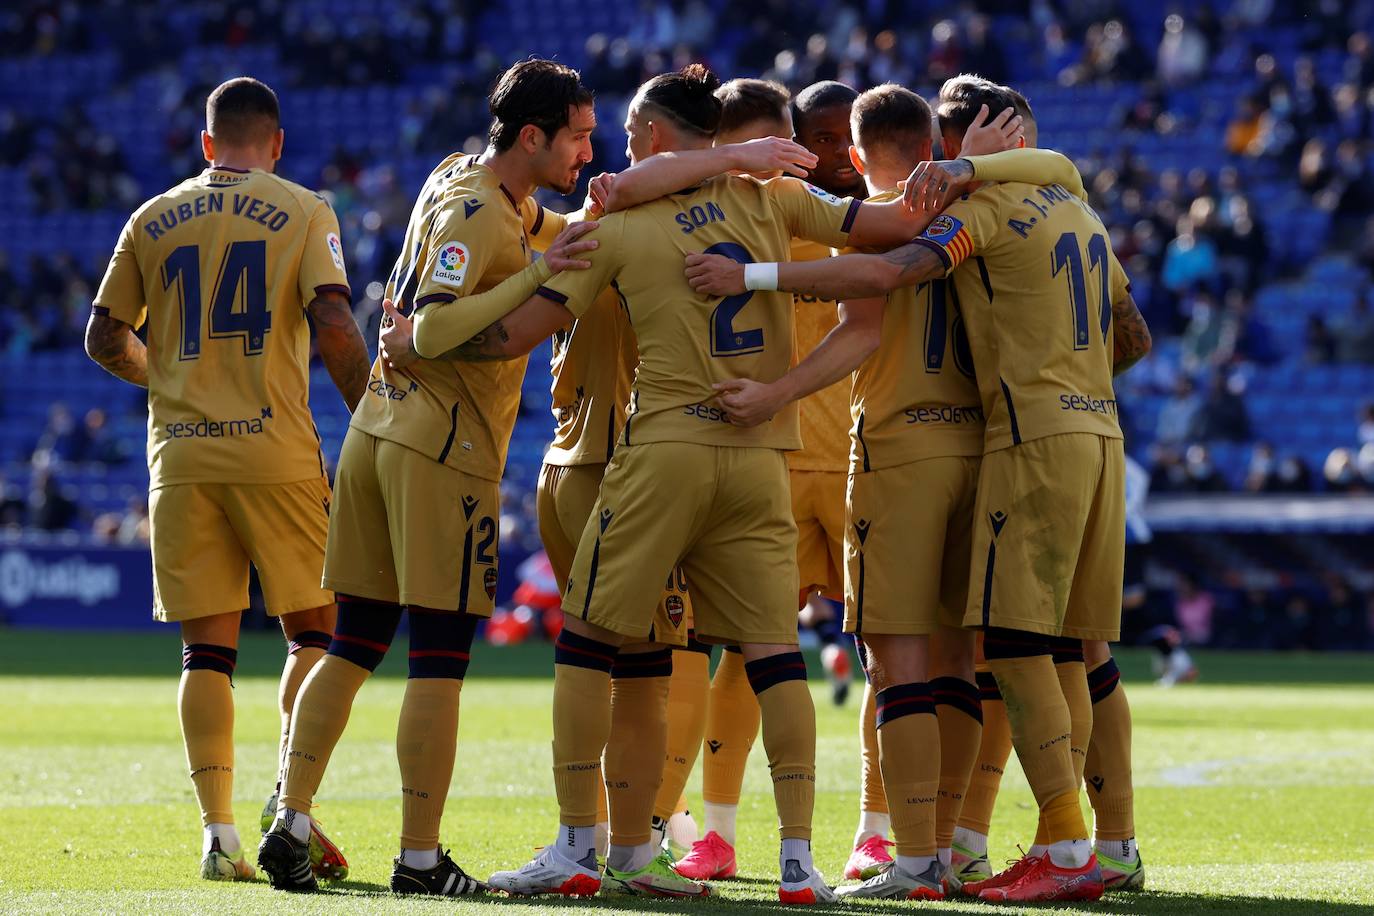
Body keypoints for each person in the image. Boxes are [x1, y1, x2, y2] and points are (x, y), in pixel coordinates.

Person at [390, 62, 974, 905]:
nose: (612, 157)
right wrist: (969, 173)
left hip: (663, 452)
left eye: (627, 137)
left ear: (658, 138)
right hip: (760, 454)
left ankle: (577, 848)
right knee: (775, 656)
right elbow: (884, 227)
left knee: (590, 640)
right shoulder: (772, 201)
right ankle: (800, 862)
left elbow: (517, 333)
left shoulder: (619, 224)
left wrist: (424, 341)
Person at [684, 72, 1152, 903]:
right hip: (1009, 444)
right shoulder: (1070, 208)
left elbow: (877, 294)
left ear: (864, 153)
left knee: (901, 665)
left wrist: (759, 315)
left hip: (907, 449)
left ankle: (919, 857)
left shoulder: (912, 219)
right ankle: (997, 841)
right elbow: (1133, 334)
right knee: (1028, 654)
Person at [257, 58, 603, 896]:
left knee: (354, 642)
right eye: (579, 138)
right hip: (442, 450)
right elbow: (438, 328)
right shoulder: (486, 218)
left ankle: (290, 820)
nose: (589, 154)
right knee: (440, 658)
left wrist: (590, 219)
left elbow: (534, 233)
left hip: (375, 432)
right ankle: (418, 857)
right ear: (532, 135)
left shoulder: (459, 176)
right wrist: (536, 278)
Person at [85, 76, 370, 883]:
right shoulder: (306, 207)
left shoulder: (151, 215)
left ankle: (218, 837)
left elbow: (105, 335)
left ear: (207, 143)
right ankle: (292, 806)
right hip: (273, 449)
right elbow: (336, 323)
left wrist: (168, 380)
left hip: (180, 455)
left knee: (202, 654)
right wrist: (376, 415)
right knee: (318, 632)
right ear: (275, 142)